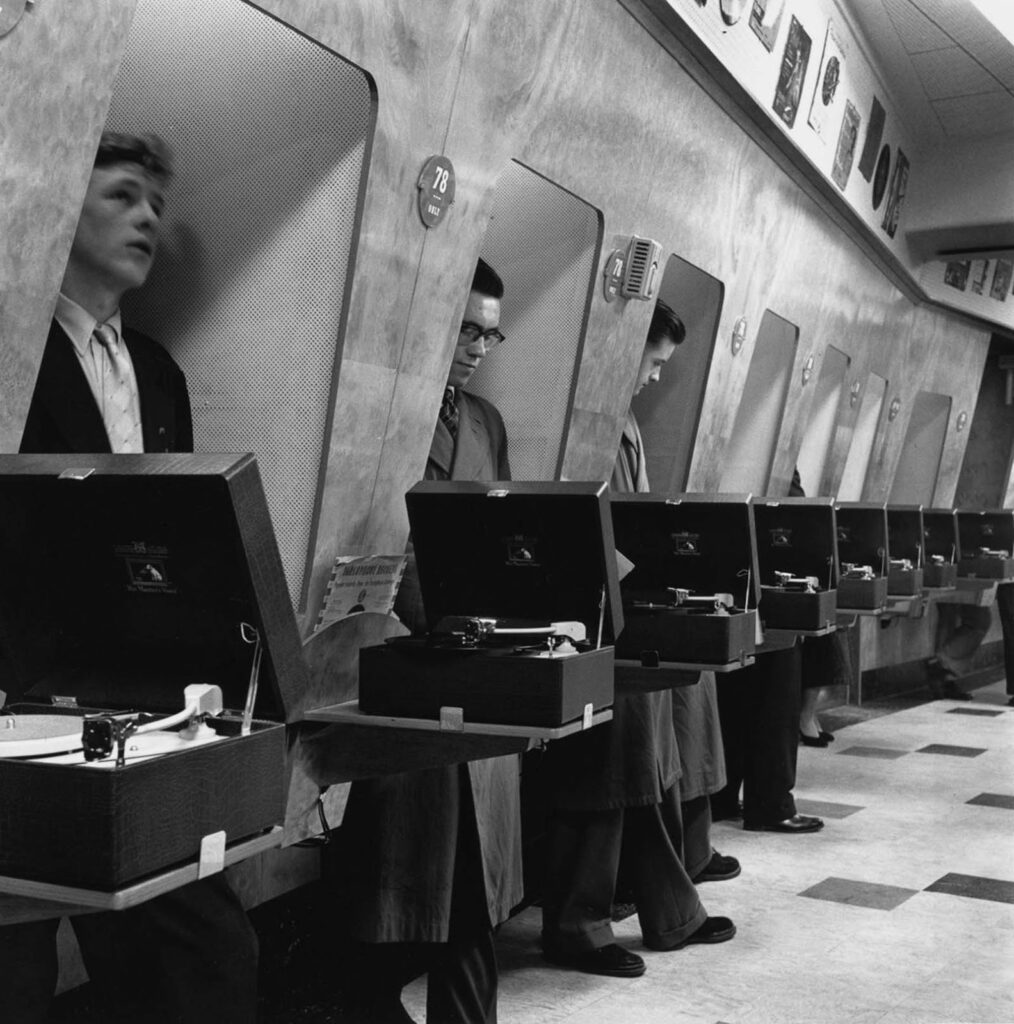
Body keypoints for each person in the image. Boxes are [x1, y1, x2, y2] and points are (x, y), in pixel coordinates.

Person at [8, 132, 258, 1023]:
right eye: (121, 196)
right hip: (20, 697)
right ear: (59, 206)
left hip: (137, 702)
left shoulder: (160, 374)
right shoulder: (12, 353)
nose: (147, 218)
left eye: (156, 204)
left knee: (199, 954)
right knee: (16, 975)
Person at [332, 258, 519, 1024]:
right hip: (398, 661)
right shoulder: (382, 411)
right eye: (466, 329)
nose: (477, 347)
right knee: (406, 875)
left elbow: (500, 534)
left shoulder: (485, 424)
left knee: (467, 881)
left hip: (475, 660)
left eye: (489, 333)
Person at [539, 300, 735, 981]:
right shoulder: (585, 420)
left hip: (618, 606)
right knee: (615, 763)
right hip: (587, 612)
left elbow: (638, 520)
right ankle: (580, 922)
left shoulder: (624, 426)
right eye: (652, 363)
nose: (654, 379)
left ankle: (666, 905)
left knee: (642, 759)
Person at [711, 464, 823, 834]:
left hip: (720, 568)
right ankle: (771, 804)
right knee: (777, 693)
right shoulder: (777, 444)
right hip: (767, 578)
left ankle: (722, 796)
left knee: (733, 692)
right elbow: (795, 510)